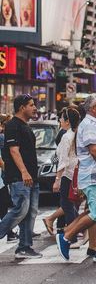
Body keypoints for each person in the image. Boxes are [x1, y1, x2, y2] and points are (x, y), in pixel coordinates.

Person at [56, 93, 96, 263]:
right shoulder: (90, 125)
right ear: (93, 109)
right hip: (95, 177)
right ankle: (66, 236)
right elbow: (94, 150)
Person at [0, 94, 41, 258]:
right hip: (19, 177)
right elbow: (13, 151)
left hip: (31, 177)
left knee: (30, 212)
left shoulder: (26, 126)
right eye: (31, 105)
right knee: (20, 210)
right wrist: (24, 172)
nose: (35, 108)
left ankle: (24, 247)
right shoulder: (12, 126)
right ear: (22, 107)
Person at [44, 107, 80, 235]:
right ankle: (75, 231)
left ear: (67, 121)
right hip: (76, 174)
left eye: (62, 118)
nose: (60, 120)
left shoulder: (67, 136)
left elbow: (63, 160)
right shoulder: (77, 134)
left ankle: (72, 235)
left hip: (67, 175)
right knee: (71, 205)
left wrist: (57, 180)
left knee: (67, 205)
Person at [0, 114, 17, 243]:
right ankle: (8, 232)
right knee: (4, 202)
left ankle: (9, 232)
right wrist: (8, 169)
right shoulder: (2, 137)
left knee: (4, 203)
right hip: (1, 179)